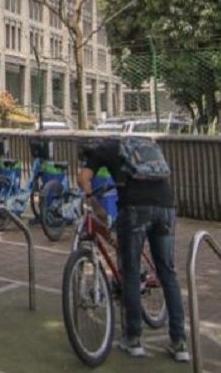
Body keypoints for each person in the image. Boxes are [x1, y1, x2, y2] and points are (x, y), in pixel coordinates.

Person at [77, 138, 189, 363]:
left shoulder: (100, 150)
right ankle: (180, 343)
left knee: (130, 271)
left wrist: (92, 202)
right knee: (168, 272)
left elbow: (83, 179)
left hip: (136, 208)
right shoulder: (141, 145)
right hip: (166, 206)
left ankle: (133, 338)